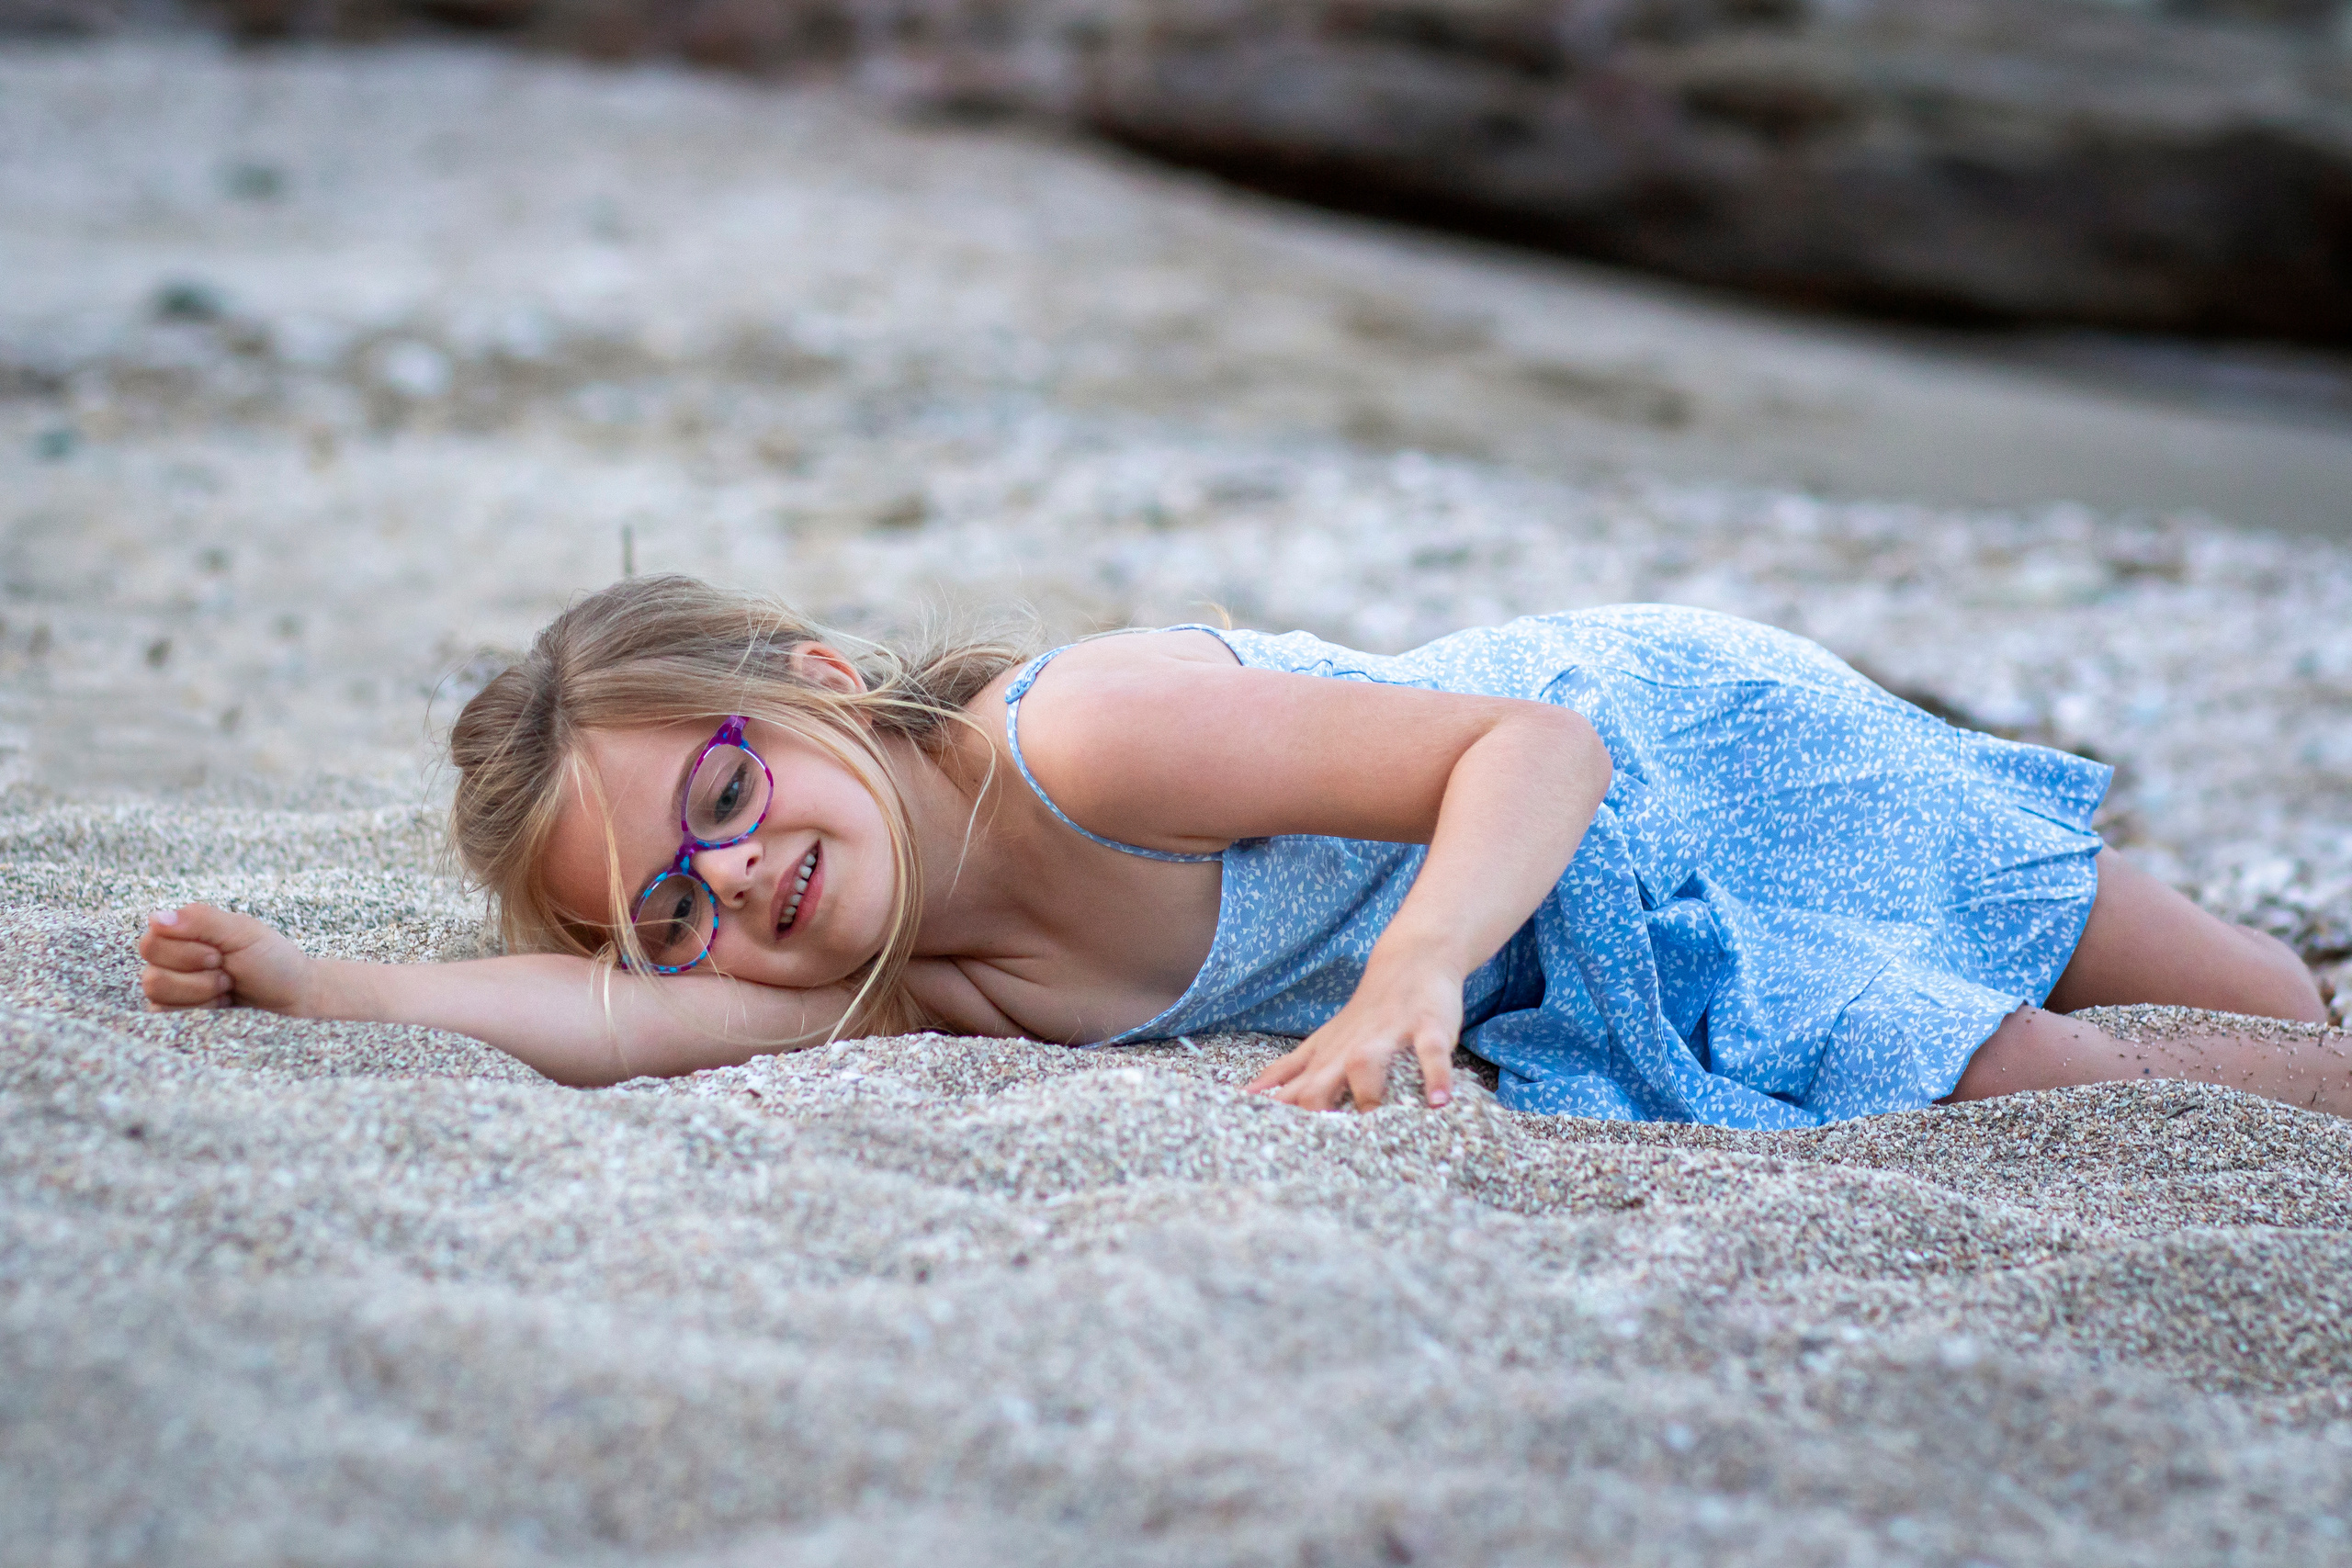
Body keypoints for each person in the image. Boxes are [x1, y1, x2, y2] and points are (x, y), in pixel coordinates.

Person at [137, 575, 2335, 1126]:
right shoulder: (879, 968)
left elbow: (1535, 747)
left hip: (1668, 750)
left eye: (728, 791)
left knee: (2239, 992)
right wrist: (340, 984)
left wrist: (1410, 969)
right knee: (2032, 1070)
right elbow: (594, 1019)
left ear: (811, 681)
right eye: (681, 902)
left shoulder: (1083, 727)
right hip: (1570, 949)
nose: (741, 881)